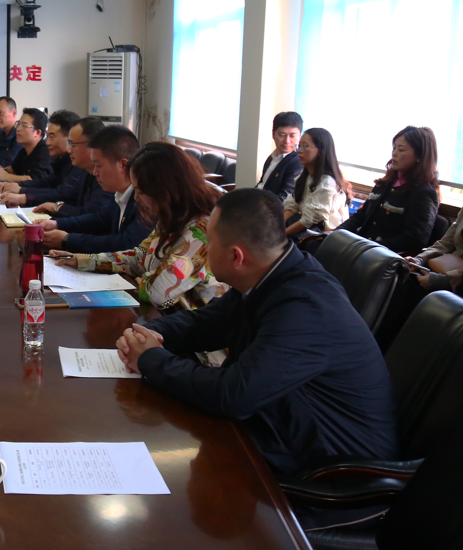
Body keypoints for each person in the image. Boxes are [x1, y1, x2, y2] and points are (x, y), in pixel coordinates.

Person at [115, 189, 397, 476]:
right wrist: (147, 333)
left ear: (236, 256)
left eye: (209, 242)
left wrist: (150, 359)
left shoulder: (305, 307)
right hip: (279, 430)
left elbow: (233, 394)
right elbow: (206, 323)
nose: (205, 249)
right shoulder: (272, 275)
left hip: (329, 472)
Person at [56, 143, 227, 311]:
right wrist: (82, 260)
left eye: (141, 191)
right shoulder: (170, 216)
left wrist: (143, 280)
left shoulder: (200, 230)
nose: (136, 198)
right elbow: (140, 257)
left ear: (165, 190)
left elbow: (157, 294)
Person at [41, 125, 152, 254]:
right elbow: (99, 220)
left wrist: (67, 240)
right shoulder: (120, 193)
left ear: (123, 165)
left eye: (98, 166)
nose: (94, 173)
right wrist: (56, 224)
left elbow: (126, 244)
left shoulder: (145, 200)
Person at [337, 125, 439, 253]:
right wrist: (336, 234)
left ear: (420, 156)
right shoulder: (385, 183)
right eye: (394, 148)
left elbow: (414, 239)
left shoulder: (424, 193)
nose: (394, 153)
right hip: (360, 247)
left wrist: (367, 248)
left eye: (401, 150)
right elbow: (359, 217)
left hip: (381, 256)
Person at [0, 110, 80, 206]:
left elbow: (61, 194)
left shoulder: (78, 164)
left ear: (70, 138)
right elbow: (47, 182)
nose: (47, 143)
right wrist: (19, 185)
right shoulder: (62, 159)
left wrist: (23, 193)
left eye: (52, 137)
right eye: (47, 137)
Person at [282, 127, 349, 237]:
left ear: (320, 151)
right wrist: (275, 227)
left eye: (305, 146)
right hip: (310, 230)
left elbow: (308, 221)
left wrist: (280, 235)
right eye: (300, 145)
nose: (299, 150)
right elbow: (292, 204)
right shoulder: (306, 176)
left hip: (326, 236)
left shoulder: (328, 183)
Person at [0, 107, 53, 183]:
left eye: (24, 126)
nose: (18, 129)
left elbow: (36, 180)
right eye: (18, 124)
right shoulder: (24, 151)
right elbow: (14, 169)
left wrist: (6, 176)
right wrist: (0, 169)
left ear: (37, 133)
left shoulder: (45, 152)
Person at [255, 111, 303, 199]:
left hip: (271, 206)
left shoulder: (297, 162)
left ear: (300, 137)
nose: (287, 141)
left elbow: (285, 197)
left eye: (292, 136)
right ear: (273, 134)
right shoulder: (272, 157)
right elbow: (262, 184)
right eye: (282, 135)